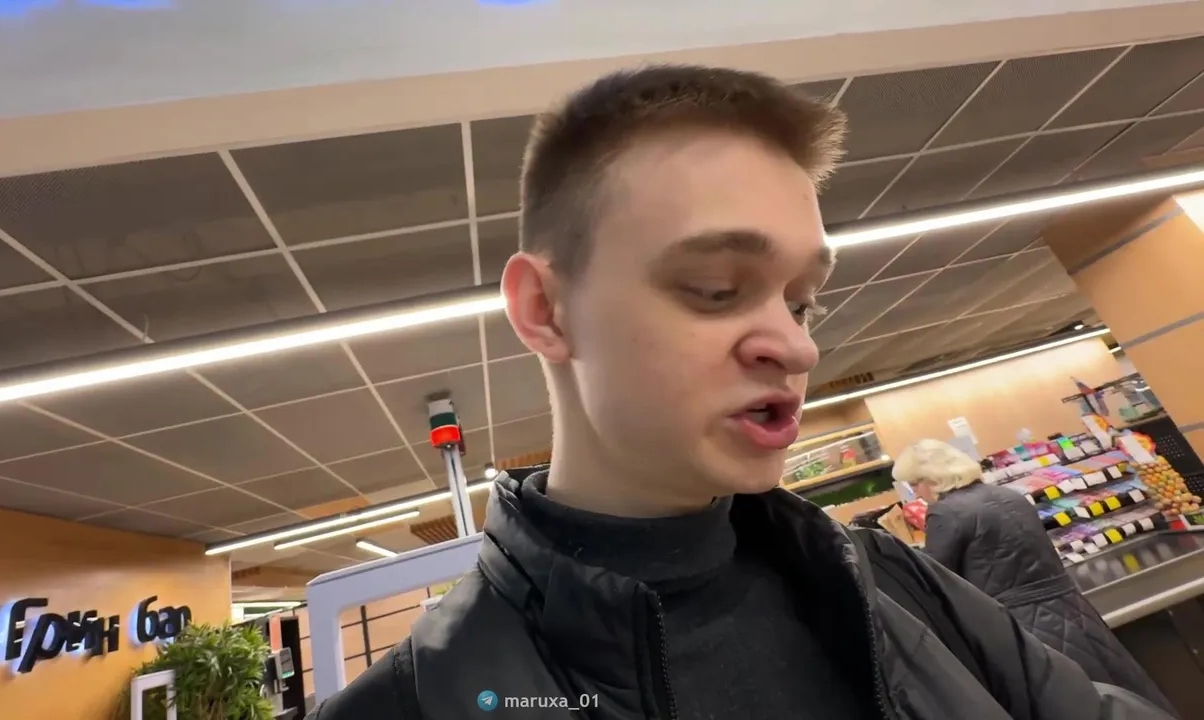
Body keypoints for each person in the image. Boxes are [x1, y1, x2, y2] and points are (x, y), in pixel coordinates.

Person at [310, 65, 1172, 719]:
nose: (797, 345)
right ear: (545, 310)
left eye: (802, 300)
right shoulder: (420, 703)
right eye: (717, 288)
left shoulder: (890, 585)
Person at [896, 438, 1177, 715]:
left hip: (1022, 622)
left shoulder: (946, 512)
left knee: (1072, 702)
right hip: (1071, 607)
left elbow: (935, 577)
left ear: (932, 478)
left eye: (915, 483)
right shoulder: (1008, 495)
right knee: (1123, 689)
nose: (916, 492)